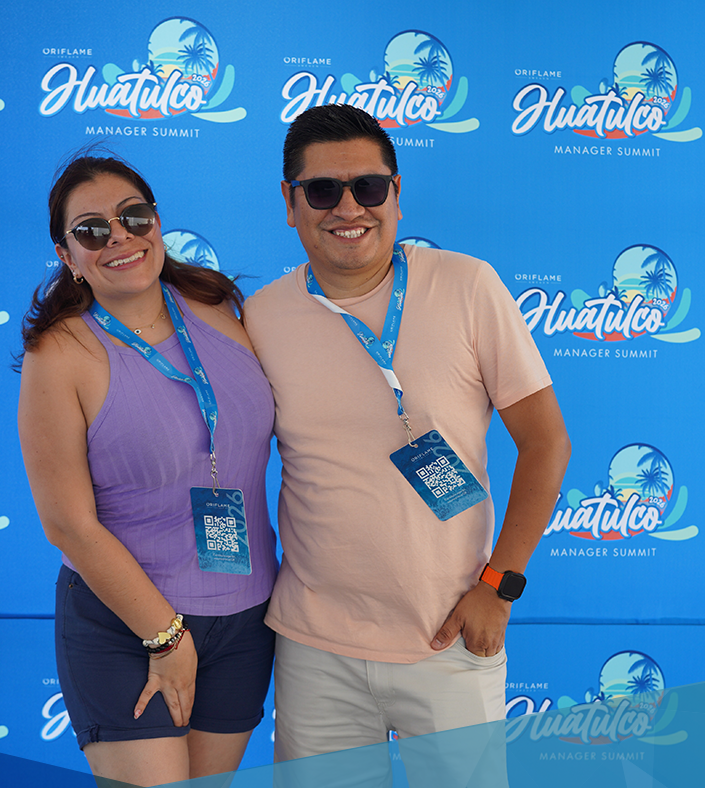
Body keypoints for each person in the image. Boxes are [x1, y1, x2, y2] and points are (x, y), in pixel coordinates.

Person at [245, 104, 572, 772]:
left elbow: (546, 442)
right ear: (289, 202)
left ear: (396, 193)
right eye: (322, 190)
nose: (349, 207)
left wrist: (499, 585)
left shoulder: (468, 285)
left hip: (451, 637)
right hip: (314, 650)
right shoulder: (262, 316)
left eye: (368, 187)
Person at [17, 153, 277, 787]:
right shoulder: (60, 354)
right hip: (125, 626)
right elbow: (68, 525)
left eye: (133, 217)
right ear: (67, 254)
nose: (119, 238)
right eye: (92, 230)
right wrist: (165, 637)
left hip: (245, 619)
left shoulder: (218, 308)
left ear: (157, 222)